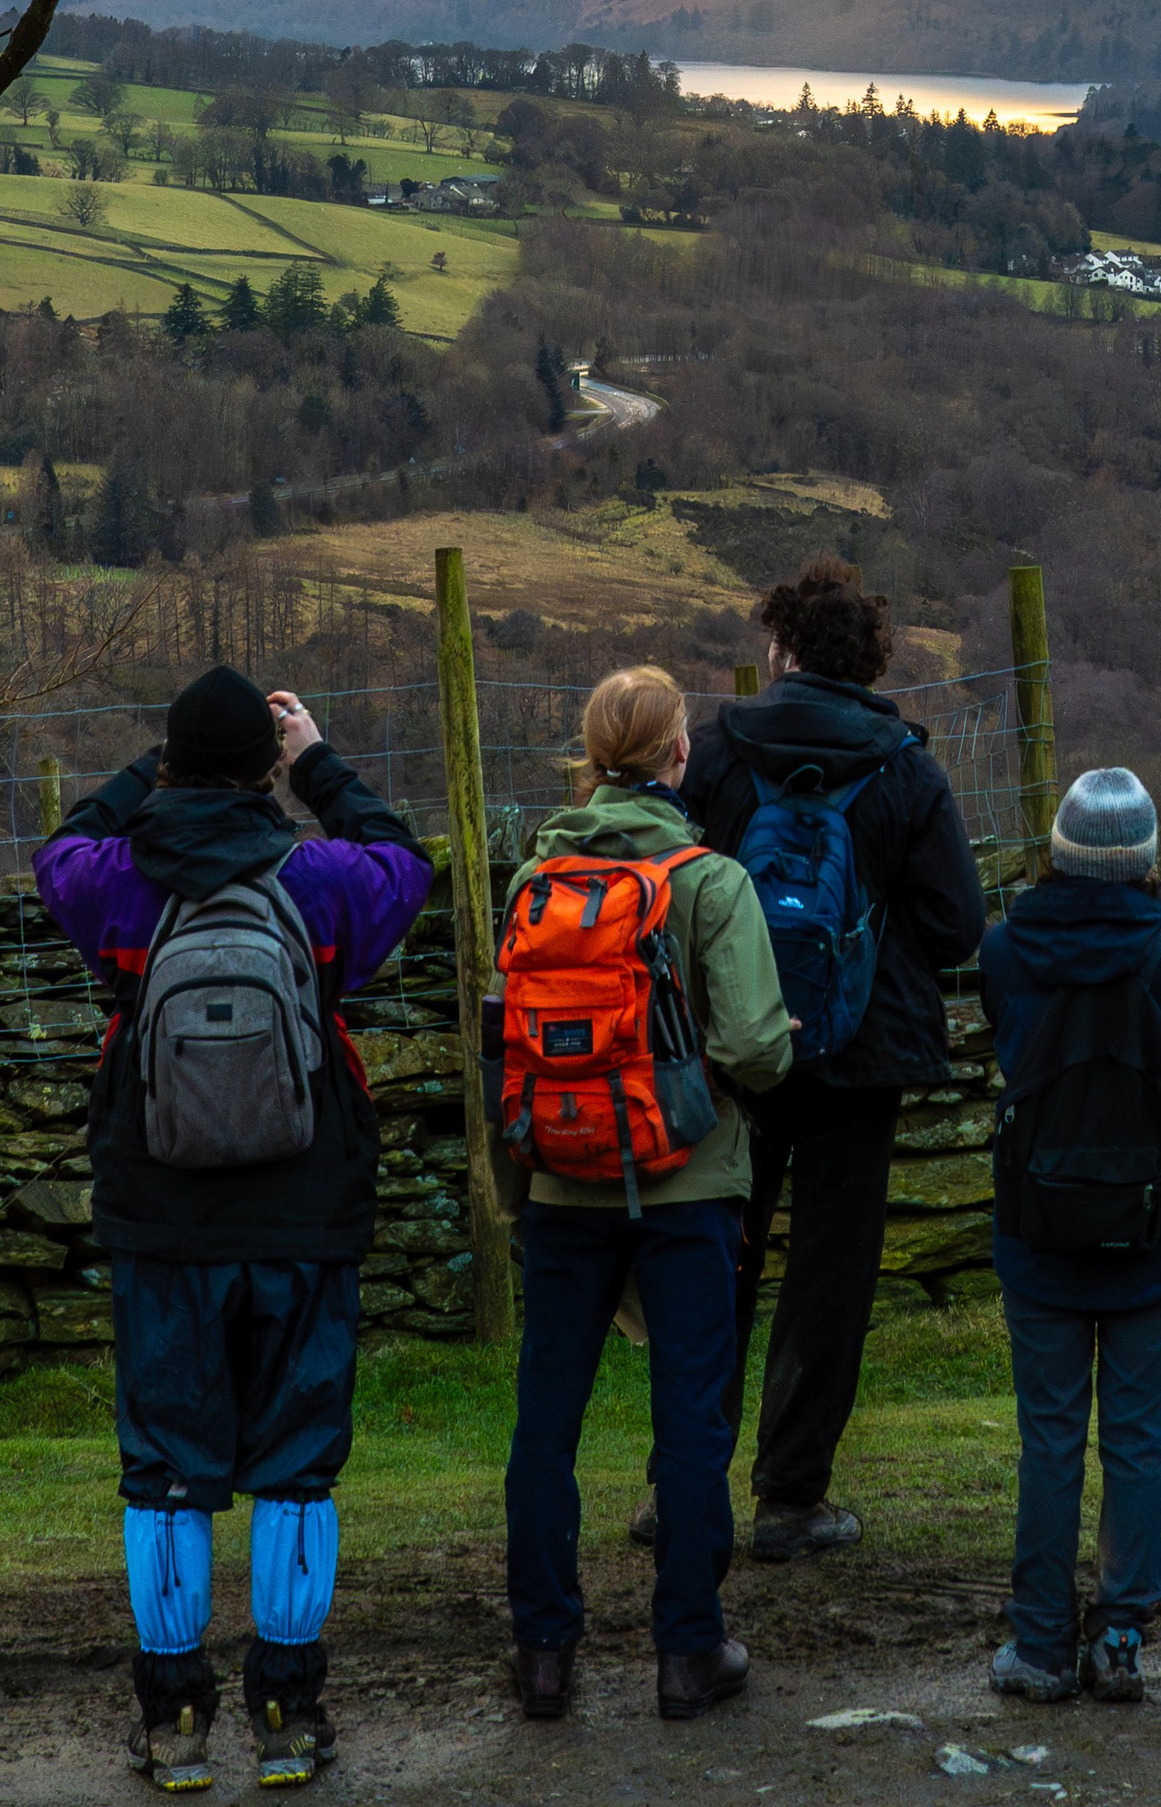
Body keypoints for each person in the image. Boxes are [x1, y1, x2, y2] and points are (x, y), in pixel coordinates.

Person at [36, 664, 433, 1793]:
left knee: (168, 1466)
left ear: (173, 761)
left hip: (161, 1214)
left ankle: (174, 1720)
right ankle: (286, 1712)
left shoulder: (117, 880)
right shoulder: (320, 879)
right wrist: (317, 763)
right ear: (266, 768)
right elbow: (406, 860)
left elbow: (58, 851)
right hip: (306, 1211)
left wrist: (144, 771)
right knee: (297, 1465)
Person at [672, 557, 985, 1560]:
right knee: (830, 1271)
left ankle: (682, 1485)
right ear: (868, 659)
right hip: (862, 1049)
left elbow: (671, 894)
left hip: (737, 1046)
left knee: (716, 1254)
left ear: (781, 648)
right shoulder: (906, 767)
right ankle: (791, 1495)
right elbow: (956, 924)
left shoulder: (720, 751)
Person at [501, 666, 795, 1723]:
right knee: (690, 1418)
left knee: (547, 1419)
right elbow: (757, 1046)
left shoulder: (534, 876)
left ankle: (544, 1651)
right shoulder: (709, 880)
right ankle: (688, 1648)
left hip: (560, 1178)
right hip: (689, 1181)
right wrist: (732, 1063)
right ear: (679, 754)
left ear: (591, 756)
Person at [980, 767, 1161, 1705]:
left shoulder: (1007, 948)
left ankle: (1040, 1643)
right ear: (1146, 859)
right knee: (1135, 1435)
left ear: (1059, 851)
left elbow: (1001, 1023)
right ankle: (1120, 1634)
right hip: (1150, 1231)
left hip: (1038, 1230)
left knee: (1049, 1438)